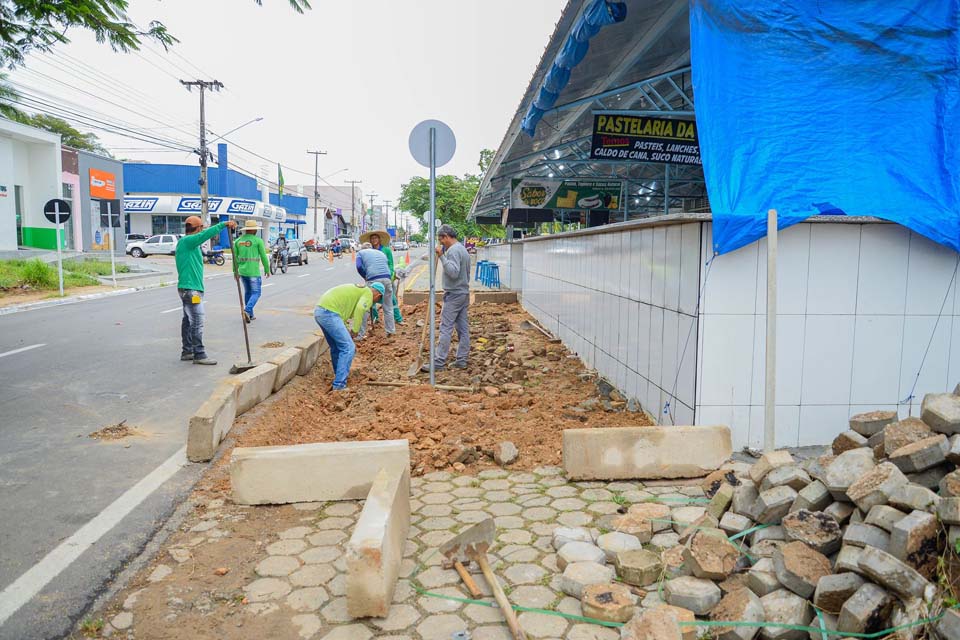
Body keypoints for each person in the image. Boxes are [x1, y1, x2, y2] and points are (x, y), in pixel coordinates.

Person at [176, 215, 238, 365]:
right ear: (197, 229)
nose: (202, 231)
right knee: (197, 321)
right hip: (191, 290)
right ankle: (199, 354)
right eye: (201, 228)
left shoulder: (189, 244)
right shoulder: (187, 241)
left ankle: (187, 350)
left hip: (189, 287)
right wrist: (223, 224)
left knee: (188, 321)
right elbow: (204, 235)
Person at [314, 282, 384, 390]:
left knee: (337, 347)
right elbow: (360, 309)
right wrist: (356, 330)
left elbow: (344, 315)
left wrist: (347, 329)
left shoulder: (360, 291)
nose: (374, 302)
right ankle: (339, 385)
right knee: (349, 348)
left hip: (321, 311)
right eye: (376, 301)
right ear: (378, 296)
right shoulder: (368, 293)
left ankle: (338, 376)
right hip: (330, 313)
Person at [422, 224, 471, 372]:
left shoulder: (454, 251)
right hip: (462, 293)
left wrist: (442, 256)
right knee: (463, 329)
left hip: (454, 294)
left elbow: (453, 272)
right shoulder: (462, 249)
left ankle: (438, 362)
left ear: (446, 236)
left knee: (446, 328)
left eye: (440, 239)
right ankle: (461, 360)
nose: (440, 242)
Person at [355, 243, 396, 338]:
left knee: (365, 307)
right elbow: (385, 265)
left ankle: (360, 335)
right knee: (388, 306)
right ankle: (391, 331)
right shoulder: (380, 253)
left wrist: (365, 276)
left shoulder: (360, 253)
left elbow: (359, 267)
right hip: (387, 279)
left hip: (373, 279)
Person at [233, 219, 270, 322]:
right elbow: (263, 256)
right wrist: (267, 269)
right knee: (256, 293)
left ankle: (250, 314)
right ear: (254, 230)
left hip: (242, 271)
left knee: (248, 292)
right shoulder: (258, 241)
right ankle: (247, 310)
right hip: (253, 272)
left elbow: (235, 258)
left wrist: (235, 272)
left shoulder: (238, 241)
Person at [366, 230, 404, 325]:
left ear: (379, 239)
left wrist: (391, 274)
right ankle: (375, 319)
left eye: (375, 238)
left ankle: (398, 319)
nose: (374, 240)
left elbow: (390, 263)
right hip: (373, 278)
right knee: (372, 299)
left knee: (392, 299)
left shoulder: (386, 250)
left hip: (386, 277)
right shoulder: (369, 251)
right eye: (372, 238)